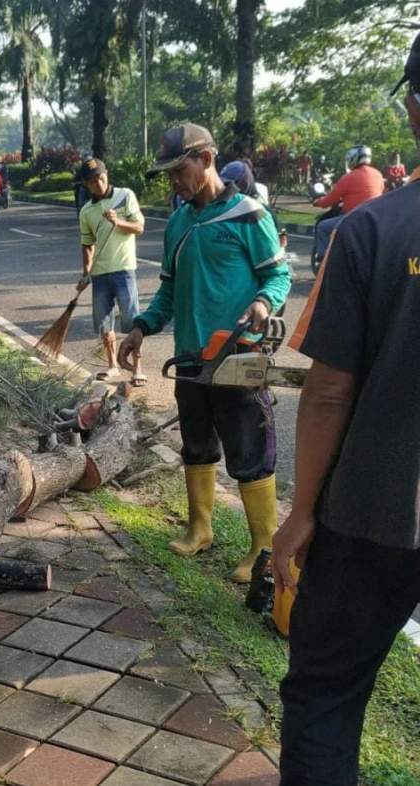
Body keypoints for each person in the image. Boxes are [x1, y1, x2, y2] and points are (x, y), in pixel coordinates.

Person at [273, 33, 420, 786]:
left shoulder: (371, 229)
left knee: (325, 695)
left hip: (371, 516)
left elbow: (329, 389)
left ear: (416, 111)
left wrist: (301, 513)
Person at [119, 123, 291, 583]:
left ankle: (262, 546)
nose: (173, 181)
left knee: (249, 450)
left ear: (207, 160)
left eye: (179, 169)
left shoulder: (249, 215)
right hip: (192, 359)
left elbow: (278, 277)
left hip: (237, 357)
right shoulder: (177, 223)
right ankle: (200, 528)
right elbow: (169, 291)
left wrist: (261, 302)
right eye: (169, 173)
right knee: (197, 446)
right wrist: (141, 327)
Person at [76, 157, 146, 385]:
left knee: (133, 320)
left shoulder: (125, 196)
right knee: (104, 323)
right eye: (92, 181)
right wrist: (86, 271)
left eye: (101, 178)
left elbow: (139, 227)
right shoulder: (86, 211)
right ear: (86, 185)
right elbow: (87, 244)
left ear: (107, 175)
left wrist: (119, 222)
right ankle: (112, 365)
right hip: (100, 274)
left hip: (124, 270)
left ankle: (138, 367)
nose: (99, 183)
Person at [312, 145, 384, 261]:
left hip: (353, 219)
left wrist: (317, 202)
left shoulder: (348, 177)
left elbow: (329, 200)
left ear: (353, 158)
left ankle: (325, 262)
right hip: (374, 220)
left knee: (322, 227)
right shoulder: (378, 175)